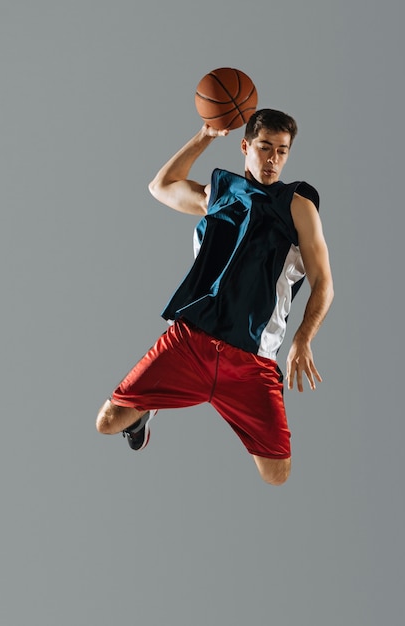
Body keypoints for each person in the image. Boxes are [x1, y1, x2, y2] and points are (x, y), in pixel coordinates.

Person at [96, 109, 334, 486]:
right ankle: (144, 414)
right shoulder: (219, 194)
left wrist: (303, 339)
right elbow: (161, 186)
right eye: (264, 147)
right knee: (107, 423)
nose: (273, 159)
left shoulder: (297, 206)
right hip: (191, 343)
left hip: (252, 361)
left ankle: (167, 403)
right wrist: (206, 134)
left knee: (276, 474)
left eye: (282, 151)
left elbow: (324, 282)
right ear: (245, 146)